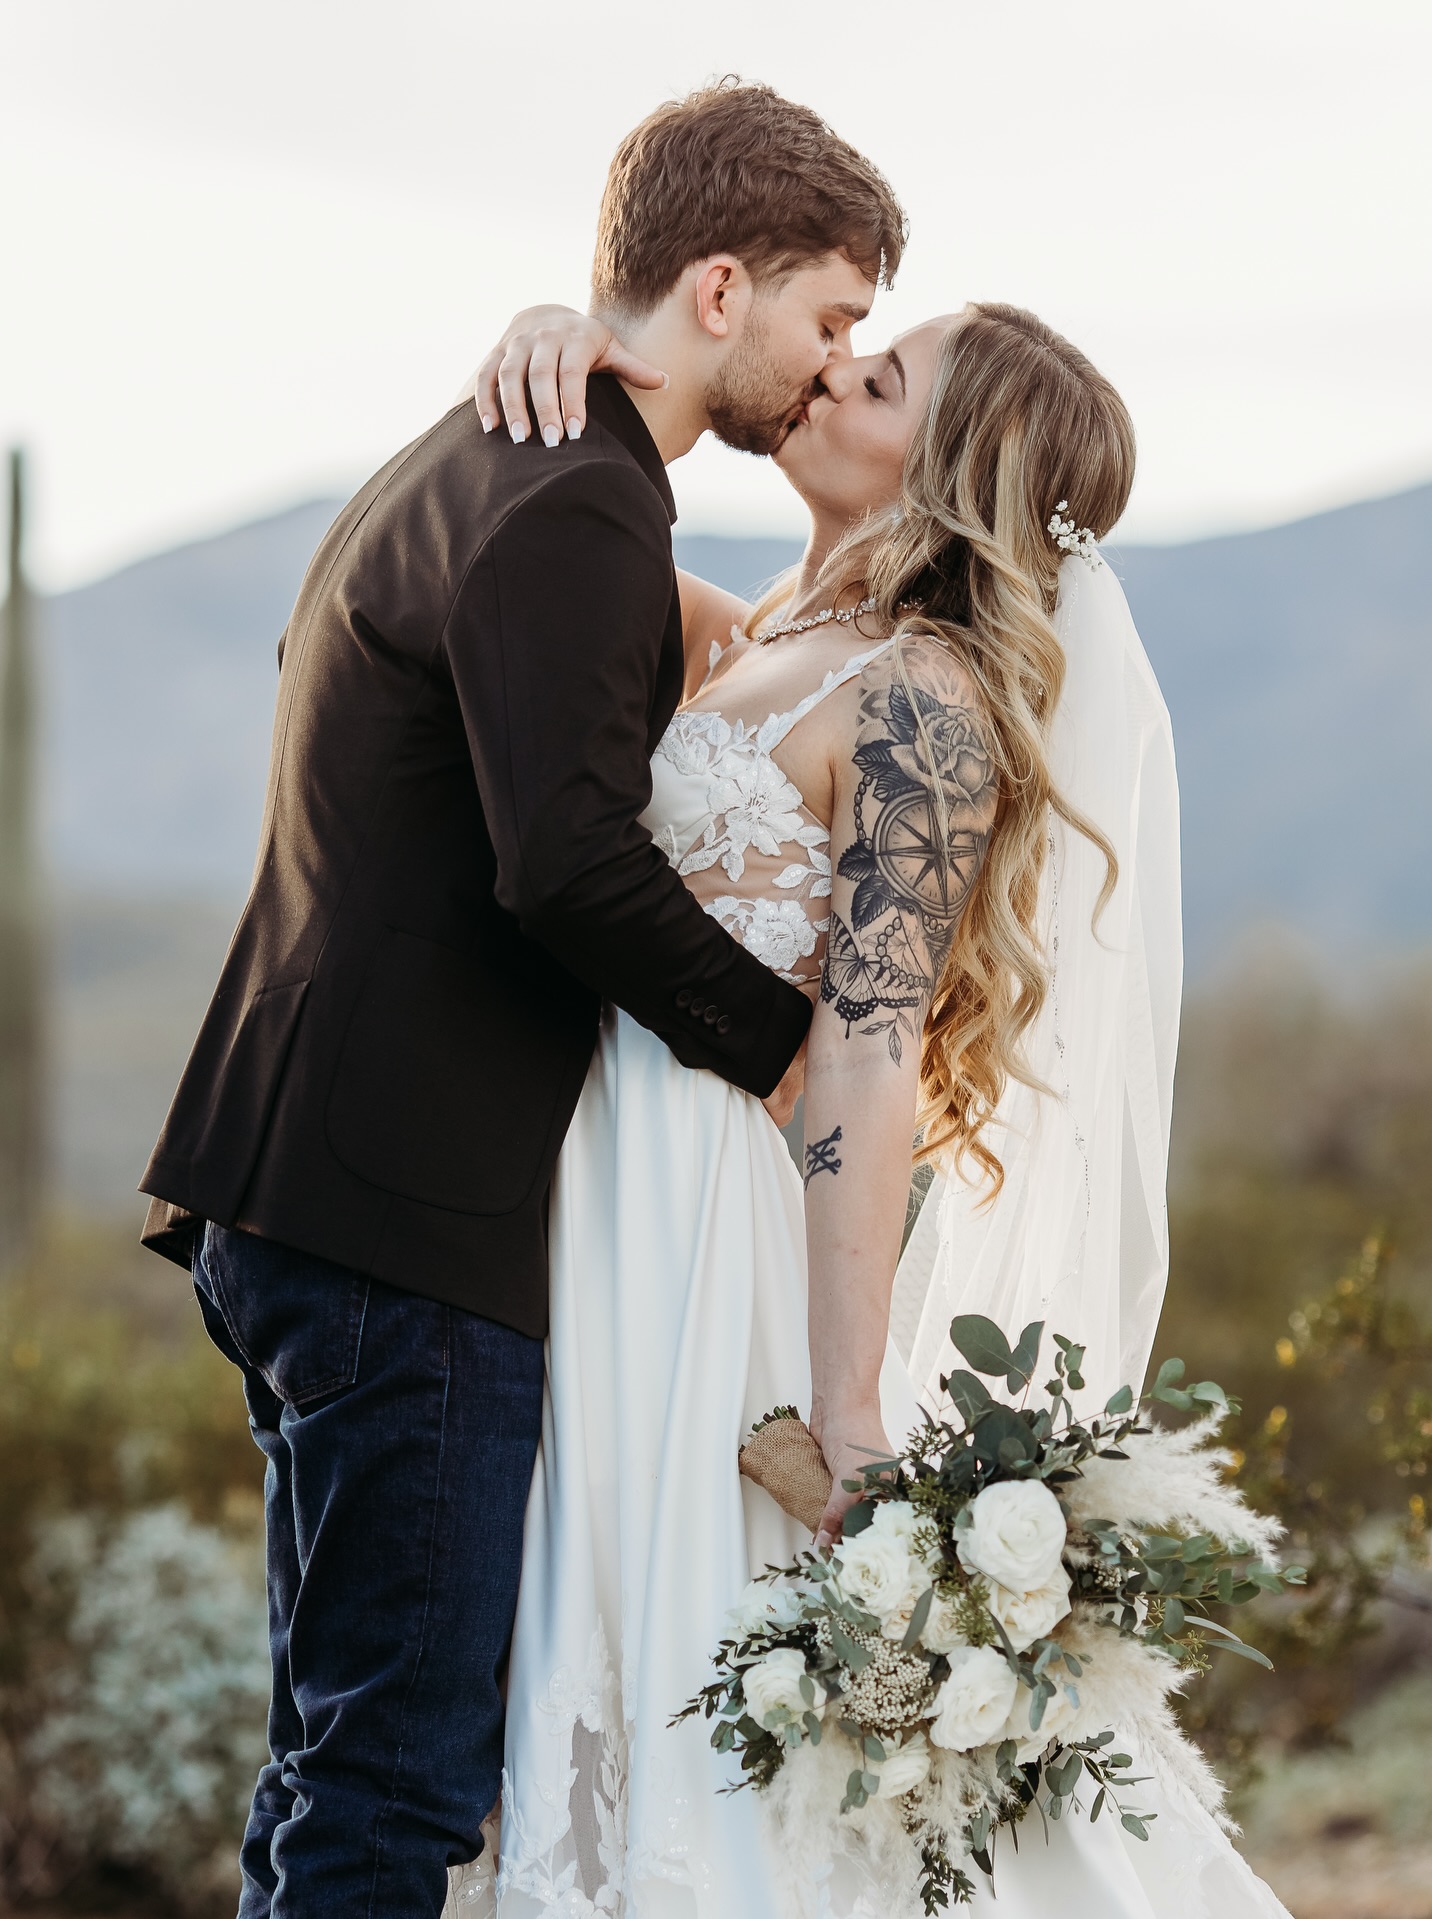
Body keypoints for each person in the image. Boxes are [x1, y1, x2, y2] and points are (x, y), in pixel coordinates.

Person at [136, 81, 907, 1919]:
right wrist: (790, 1051)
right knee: (395, 1787)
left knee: (339, 1763)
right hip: (409, 1227)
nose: (828, 367)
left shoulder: (498, 459)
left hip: (311, 1186)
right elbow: (560, 861)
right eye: (829, 319)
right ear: (719, 289)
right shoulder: (572, 493)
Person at [444, 299, 1294, 1917]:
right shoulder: (758, 628)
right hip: (576, 1197)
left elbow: (866, 1046)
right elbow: (525, 587)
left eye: (880, 373)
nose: (831, 369)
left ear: (952, 467)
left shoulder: (928, 703)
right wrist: (570, 336)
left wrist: (847, 1408)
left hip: (696, 1236)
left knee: (692, 1674)